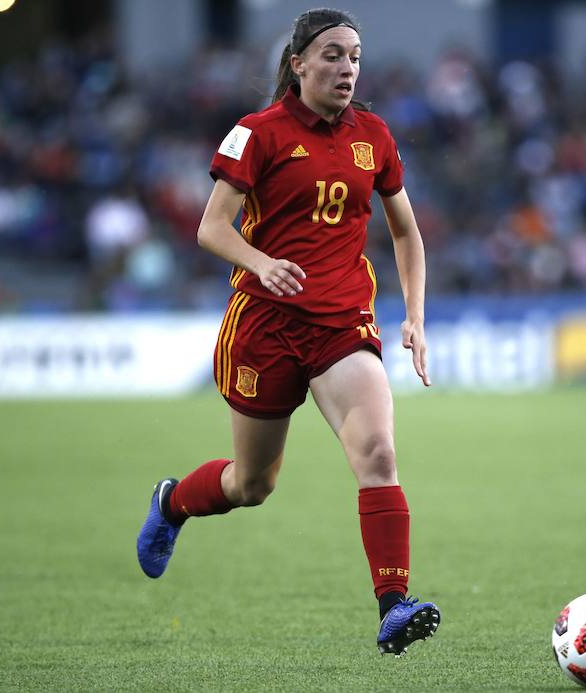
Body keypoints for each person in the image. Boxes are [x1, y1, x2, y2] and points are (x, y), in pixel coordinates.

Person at [137, 8, 440, 656]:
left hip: (341, 324)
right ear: (298, 63)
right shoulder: (257, 133)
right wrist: (262, 262)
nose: (347, 68)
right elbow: (211, 228)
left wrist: (413, 316)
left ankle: (394, 604)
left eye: (355, 56)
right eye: (332, 55)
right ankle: (172, 504)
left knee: (379, 455)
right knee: (252, 485)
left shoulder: (374, 137)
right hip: (265, 327)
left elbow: (407, 232)